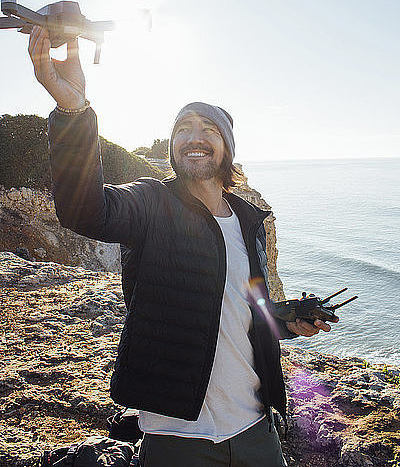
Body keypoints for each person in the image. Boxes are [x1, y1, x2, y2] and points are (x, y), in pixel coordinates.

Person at [28, 26, 338, 467]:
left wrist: (290, 326)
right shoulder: (151, 202)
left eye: (208, 129)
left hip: (256, 430)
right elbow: (84, 211)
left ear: (226, 148)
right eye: (183, 129)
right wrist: (74, 108)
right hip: (177, 436)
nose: (194, 136)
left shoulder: (248, 222)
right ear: (173, 146)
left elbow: (249, 311)